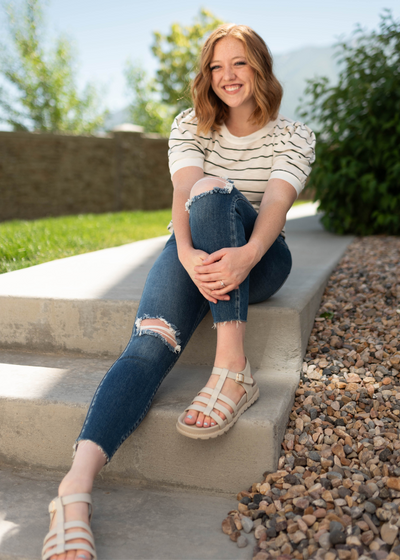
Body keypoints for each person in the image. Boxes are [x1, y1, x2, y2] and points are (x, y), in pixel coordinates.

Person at [42, 23, 315, 560]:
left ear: (260, 67)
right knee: (149, 343)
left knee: (217, 193)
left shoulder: (294, 135)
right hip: (192, 251)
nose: (227, 77)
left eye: (239, 63)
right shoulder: (190, 125)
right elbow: (183, 198)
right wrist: (187, 257)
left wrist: (245, 256)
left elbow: (277, 209)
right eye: (216, 66)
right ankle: (74, 489)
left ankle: (231, 370)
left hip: (261, 258)